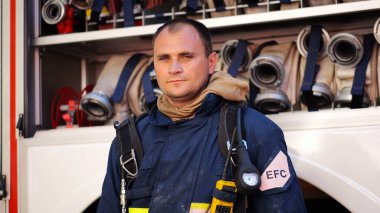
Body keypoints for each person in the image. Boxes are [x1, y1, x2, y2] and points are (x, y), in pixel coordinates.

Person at [97, 18, 307, 213]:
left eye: (186, 56)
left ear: (211, 62)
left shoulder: (256, 132)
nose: (174, 69)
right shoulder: (128, 142)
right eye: (164, 58)